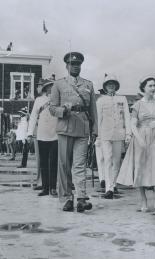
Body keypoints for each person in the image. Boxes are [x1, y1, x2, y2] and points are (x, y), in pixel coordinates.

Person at [49, 52, 98, 213]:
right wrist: (63, 110)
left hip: (83, 128)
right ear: (67, 66)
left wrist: (94, 129)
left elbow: (93, 110)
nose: (75, 66)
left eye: (78, 64)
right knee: (64, 165)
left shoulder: (88, 85)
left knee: (79, 165)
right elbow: (52, 108)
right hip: (65, 127)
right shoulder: (59, 84)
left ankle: (82, 198)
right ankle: (67, 198)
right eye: (72, 64)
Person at [117, 76, 155, 215]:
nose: (153, 88)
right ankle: (144, 200)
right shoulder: (138, 105)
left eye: (154, 85)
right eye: (150, 86)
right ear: (144, 88)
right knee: (141, 168)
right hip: (141, 139)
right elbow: (133, 125)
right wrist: (139, 139)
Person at [96, 76, 131, 199]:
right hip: (105, 134)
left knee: (116, 161)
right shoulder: (100, 101)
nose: (111, 86)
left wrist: (128, 134)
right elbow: (98, 119)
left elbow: (127, 117)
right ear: (105, 87)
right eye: (108, 84)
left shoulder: (122, 99)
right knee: (107, 159)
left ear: (116, 86)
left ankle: (114, 183)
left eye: (113, 84)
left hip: (118, 134)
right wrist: (98, 136)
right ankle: (109, 188)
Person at [27, 79, 58, 197]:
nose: (51, 88)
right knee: (44, 163)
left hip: (55, 135)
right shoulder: (38, 100)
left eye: (53, 86)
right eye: (49, 86)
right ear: (45, 88)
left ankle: (53, 188)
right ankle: (45, 188)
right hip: (42, 134)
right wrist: (29, 133)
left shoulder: (57, 99)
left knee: (54, 162)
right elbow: (33, 117)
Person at [95, 89, 106, 191]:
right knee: (102, 158)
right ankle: (103, 179)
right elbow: (96, 121)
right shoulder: (98, 103)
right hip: (100, 134)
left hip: (106, 134)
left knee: (103, 159)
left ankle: (104, 178)